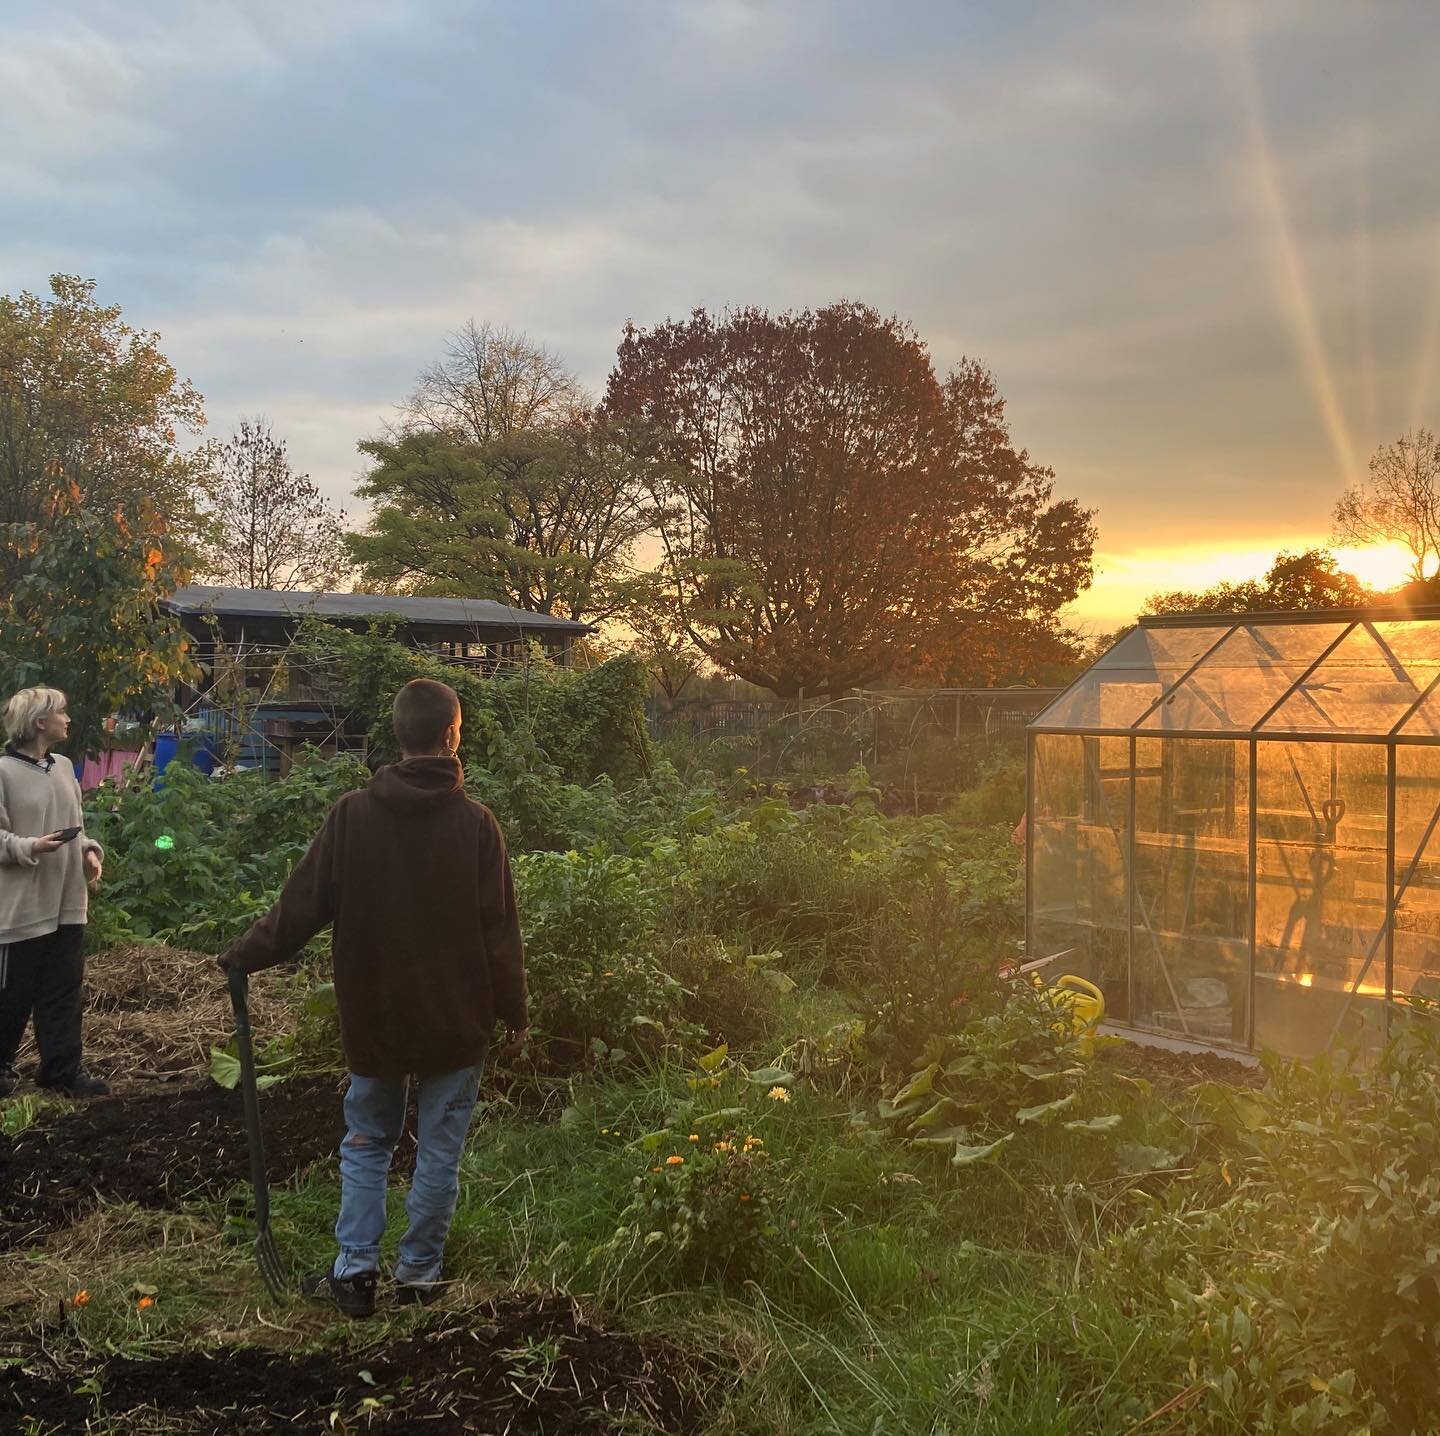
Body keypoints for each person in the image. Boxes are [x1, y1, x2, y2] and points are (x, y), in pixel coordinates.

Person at [219, 678, 528, 1316]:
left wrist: (245, 954)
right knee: (439, 1148)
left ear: (398, 734)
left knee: (367, 1140)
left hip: (376, 1016)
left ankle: (355, 1273)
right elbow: (499, 929)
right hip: (456, 1017)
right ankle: (418, 1276)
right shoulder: (476, 825)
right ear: (453, 733)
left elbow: (300, 907)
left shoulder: (352, 816)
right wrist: (513, 1009)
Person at [0, 686, 108, 1099]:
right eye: (61, 712)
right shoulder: (4, 773)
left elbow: (72, 824)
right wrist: (28, 847)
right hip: (21, 908)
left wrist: (88, 850)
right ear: (40, 721)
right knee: (11, 995)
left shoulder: (63, 766)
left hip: (66, 902)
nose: (68, 719)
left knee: (64, 992)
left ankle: (61, 1070)